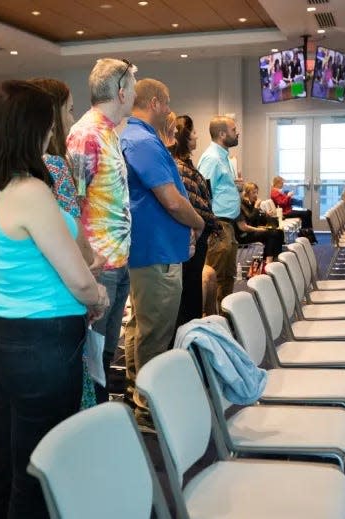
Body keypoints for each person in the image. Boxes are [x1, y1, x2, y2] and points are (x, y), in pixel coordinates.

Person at [0, 80, 108, 518]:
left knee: (9, 462)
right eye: (45, 128)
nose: (50, 136)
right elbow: (80, 284)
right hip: (44, 341)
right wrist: (98, 294)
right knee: (39, 468)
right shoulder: (29, 191)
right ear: (25, 132)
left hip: (3, 333)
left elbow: (26, 256)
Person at [121, 78, 204, 426]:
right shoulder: (141, 141)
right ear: (154, 102)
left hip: (151, 249)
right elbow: (172, 200)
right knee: (154, 333)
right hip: (155, 251)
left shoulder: (137, 137)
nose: (170, 111)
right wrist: (199, 223)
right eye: (167, 103)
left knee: (142, 327)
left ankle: (136, 392)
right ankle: (147, 406)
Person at [29, 76, 105, 409]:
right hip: (59, 300)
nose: (73, 120)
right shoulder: (54, 167)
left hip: (21, 315)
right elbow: (74, 235)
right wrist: (92, 280)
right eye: (69, 110)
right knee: (70, 402)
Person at [66, 58, 137, 404]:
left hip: (117, 261)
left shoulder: (109, 132)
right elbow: (73, 203)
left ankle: (103, 421)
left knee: (106, 353)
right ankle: (92, 429)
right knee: (93, 359)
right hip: (99, 265)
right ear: (121, 92)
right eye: (133, 91)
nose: (134, 98)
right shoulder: (86, 134)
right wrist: (87, 266)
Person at [169, 114, 220, 327]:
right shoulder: (180, 167)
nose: (197, 136)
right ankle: (187, 344)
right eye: (194, 132)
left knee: (192, 293)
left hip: (198, 234)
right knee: (189, 297)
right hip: (191, 235)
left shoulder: (186, 164)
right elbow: (192, 203)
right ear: (184, 136)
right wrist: (210, 222)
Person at [197, 116, 241, 307]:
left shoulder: (224, 157)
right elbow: (203, 195)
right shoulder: (212, 158)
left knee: (227, 277)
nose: (237, 132)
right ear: (222, 134)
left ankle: (224, 320)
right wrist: (212, 226)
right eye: (233, 129)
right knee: (213, 278)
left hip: (227, 225)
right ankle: (209, 322)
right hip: (218, 225)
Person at [237, 182, 285, 263]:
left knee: (279, 232)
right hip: (244, 235)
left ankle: (275, 259)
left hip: (253, 231)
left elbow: (258, 220)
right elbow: (249, 221)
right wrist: (256, 208)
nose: (256, 195)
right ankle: (268, 261)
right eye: (253, 193)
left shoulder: (251, 203)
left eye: (257, 192)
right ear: (246, 194)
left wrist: (265, 215)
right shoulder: (241, 205)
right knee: (271, 234)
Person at [270, 175, 317, 243]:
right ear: (277, 183)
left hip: (287, 210)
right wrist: (288, 196)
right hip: (285, 213)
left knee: (308, 212)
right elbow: (282, 203)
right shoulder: (275, 193)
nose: (283, 185)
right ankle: (306, 235)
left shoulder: (277, 191)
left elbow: (284, 202)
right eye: (282, 183)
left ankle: (307, 234)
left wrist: (288, 196)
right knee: (306, 213)